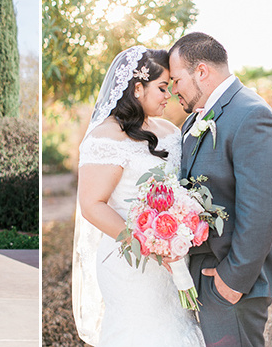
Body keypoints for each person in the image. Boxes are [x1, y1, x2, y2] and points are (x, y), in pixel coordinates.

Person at [73, 46, 204, 347]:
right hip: (130, 264)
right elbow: (92, 206)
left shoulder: (170, 131)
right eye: (161, 87)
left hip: (173, 258)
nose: (168, 95)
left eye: (170, 87)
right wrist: (150, 244)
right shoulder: (105, 137)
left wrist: (179, 232)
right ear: (137, 87)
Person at [169, 32, 272, 347]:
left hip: (232, 278)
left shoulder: (251, 114)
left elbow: (261, 207)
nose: (173, 89)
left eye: (176, 79)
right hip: (205, 273)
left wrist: (233, 280)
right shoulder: (193, 120)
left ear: (202, 72)